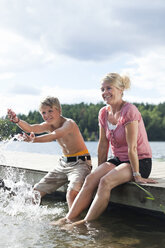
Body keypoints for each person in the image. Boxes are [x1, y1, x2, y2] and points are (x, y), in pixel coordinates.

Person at [52, 72, 157, 227]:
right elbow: (102, 144)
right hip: (118, 160)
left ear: (121, 89)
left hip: (139, 161)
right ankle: (69, 218)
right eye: (102, 89)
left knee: (105, 181)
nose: (105, 92)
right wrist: (99, 169)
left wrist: (137, 175)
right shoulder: (103, 112)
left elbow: (132, 147)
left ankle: (84, 222)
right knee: (91, 179)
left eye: (109, 88)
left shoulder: (129, 111)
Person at [7, 96, 92, 208]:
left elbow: (54, 135)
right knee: (36, 192)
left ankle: (72, 222)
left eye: (50, 111)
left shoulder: (69, 123)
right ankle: (32, 217)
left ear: (59, 110)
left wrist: (34, 140)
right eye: (43, 112)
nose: (47, 115)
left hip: (80, 164)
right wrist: (17, 121)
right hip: (63, 164)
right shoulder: (48, 125)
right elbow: (30, 128)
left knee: (71, 193)